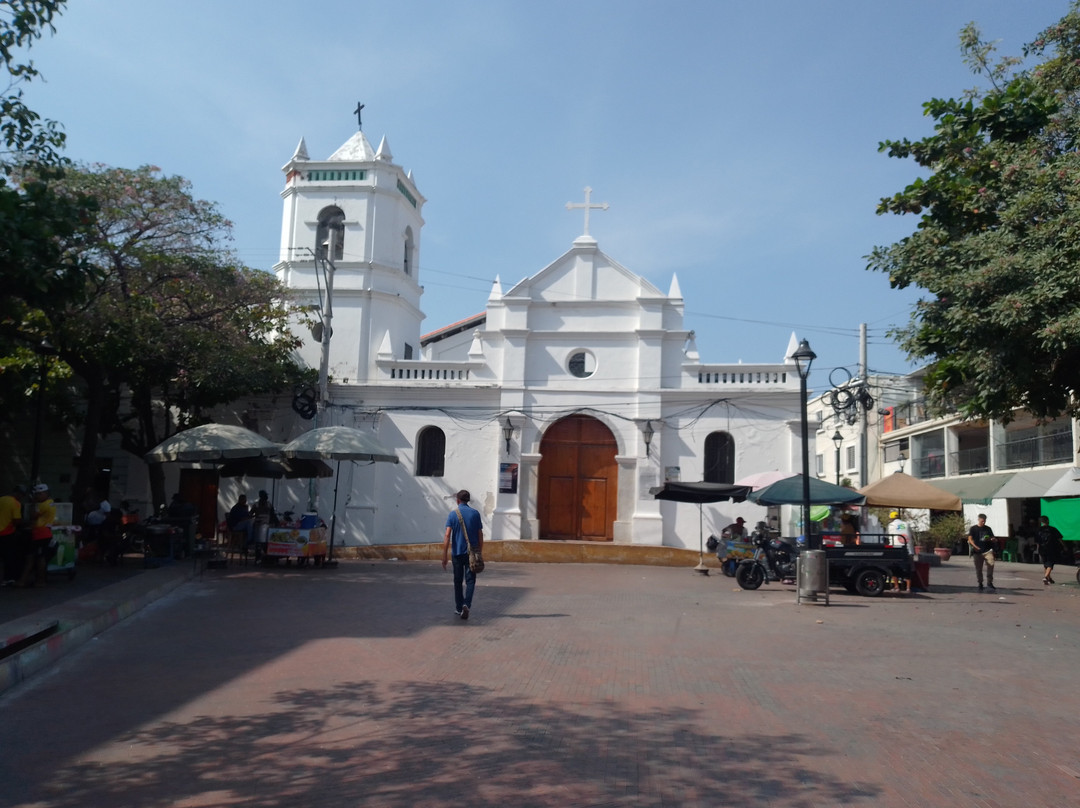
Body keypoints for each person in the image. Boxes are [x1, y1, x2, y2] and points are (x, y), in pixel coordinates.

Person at [442, 489, 483, 620]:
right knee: (470, 580)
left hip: (457, 553)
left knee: (458, 580)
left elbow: (447, 535)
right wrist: (479, 551)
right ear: (468, 500)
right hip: (472, 554)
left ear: (458, 500)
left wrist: (444, 555)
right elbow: (480, 534)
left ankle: (459, 607)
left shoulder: (453, 514)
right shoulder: (475, 514)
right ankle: (467, 604)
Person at [17, 483, 56, 587]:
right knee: (35, 557)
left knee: (38, 558)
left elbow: (32, 515)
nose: (37, 496)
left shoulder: (44, 505)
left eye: (39, 494)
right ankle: (28, 580)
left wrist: (33, 503)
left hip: (41, 534)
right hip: (41, 533)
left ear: (45, 493)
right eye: (37, 494)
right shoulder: (50, 502)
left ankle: (38, 580)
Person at [1034, 515, 1067, 586]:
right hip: (1051, 548)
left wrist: (1038, 549)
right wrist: (1064, 546)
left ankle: (1049, 578)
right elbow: (1059, 539)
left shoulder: (1038, 530)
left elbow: (1037, 542)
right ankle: (1045, 577)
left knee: (1045, 563)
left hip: (1041, 549)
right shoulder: (1053, 529)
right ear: (1047, 521)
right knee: (1050, 563)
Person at [967, 513, 996, 592]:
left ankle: (989, 582)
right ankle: (980, 583)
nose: (983, 522)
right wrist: (975, 546)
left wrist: (991, 539)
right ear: (979, 519)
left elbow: (993, 538)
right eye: (982, 521)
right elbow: (970, 539)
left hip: (987, 550)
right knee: (979, 568)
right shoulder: (973, 528)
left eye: (984, 521)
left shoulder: (988, 529)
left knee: (991, 564)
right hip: (977, 551)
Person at [0, 488, 23, 584]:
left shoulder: (1, 499)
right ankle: (8, 578)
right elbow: (17, 520)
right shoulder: (16, 503)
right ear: (19, 494)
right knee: (8, 556)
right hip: (7, 533)